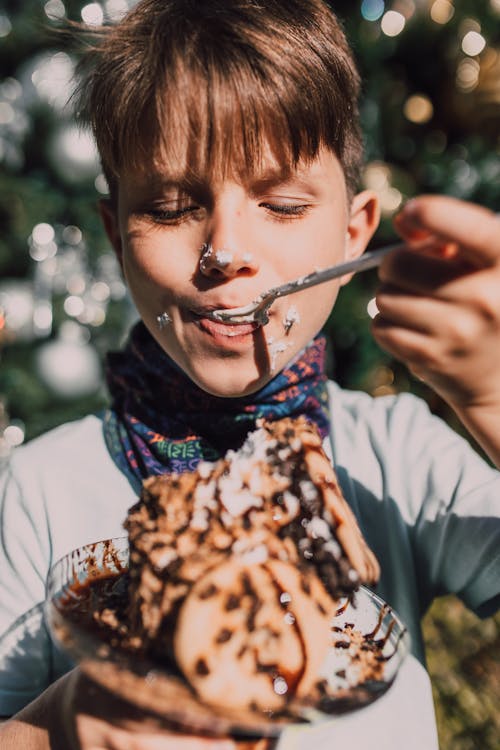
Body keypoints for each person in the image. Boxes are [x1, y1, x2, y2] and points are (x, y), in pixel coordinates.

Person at [1, 0, 499, 747]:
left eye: (283, 204)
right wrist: (59, 724)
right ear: (116, 235)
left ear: (354, 232)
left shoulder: (395, 456)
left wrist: (494, 395)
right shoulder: (38, 487)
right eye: (170, 208)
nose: (226, 248)